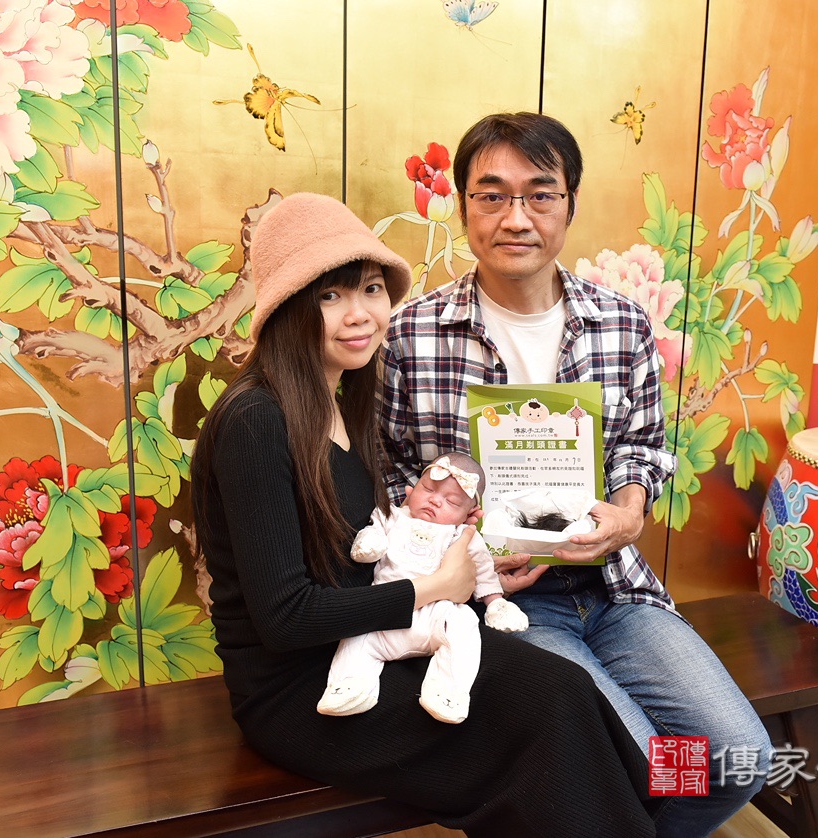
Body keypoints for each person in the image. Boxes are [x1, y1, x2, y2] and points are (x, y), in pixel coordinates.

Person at [191, 191, 659, 836]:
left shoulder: (345, 400)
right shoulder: (256, 421)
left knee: (573, 695)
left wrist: (473, 571)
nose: (360, 314)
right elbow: (285, 618)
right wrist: (437, 587)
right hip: (307, 687)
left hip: (394, 636)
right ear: (286, 306)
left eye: (371, 289)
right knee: (548, 713)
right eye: (329, 296)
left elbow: (372, 553)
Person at [381, 113, 774, 836]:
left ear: (570, 204)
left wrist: (627, 511)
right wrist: (462, 552)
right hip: (503, 603)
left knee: (735, 758)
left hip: (615, 587)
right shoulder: (412, 333)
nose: (516, 218)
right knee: (640, 764)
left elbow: (642, 446)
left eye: (540, 194)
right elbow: (392, 473)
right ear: (463, 206)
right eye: (492, 195)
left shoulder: (622, 324)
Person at [318, 452, 527, 723]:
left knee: (464, 622)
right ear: (411, 490)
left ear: (469, 514)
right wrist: (371, 541)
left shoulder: (462, 534)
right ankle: (348, 688)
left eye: (452, 501)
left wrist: (495, 602)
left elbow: (483, 570)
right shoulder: (393, 516)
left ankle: (447, 692)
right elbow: (375, 527)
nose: (435, 500)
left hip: (435, 618)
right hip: (385, 613)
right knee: (356, 634)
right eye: (428, 489)